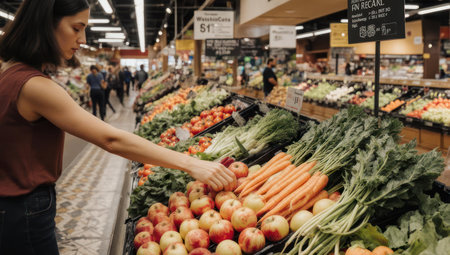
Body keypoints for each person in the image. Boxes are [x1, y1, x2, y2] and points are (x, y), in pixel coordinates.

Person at [0, 1, 236, 254]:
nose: (82, 39)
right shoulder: (35, 85)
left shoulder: (10, 72)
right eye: (76, 28)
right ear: (45, 24)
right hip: (25, 206)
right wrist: (191, 163)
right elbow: (111, 139)